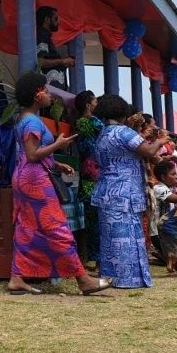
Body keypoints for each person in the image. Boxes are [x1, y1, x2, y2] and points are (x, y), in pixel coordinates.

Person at [9, 72, 112, 296]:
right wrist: (58, 144)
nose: (49, 95)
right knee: (57, 227)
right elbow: (33, 154)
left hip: (25, 177)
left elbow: (31, 156)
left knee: (26, 227)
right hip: (35, 180)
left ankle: (17, 278)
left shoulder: (23, 119)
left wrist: (57, 165)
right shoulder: (32, 121)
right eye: (46, 91)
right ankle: (83, 280)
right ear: (37, 96)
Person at [92, 94, 170, 288]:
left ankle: (111, 276)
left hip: (106, 191)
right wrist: (161, 141)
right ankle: (128, 279)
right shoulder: (124, 133)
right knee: (127, 237)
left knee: (110, 238)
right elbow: (149, 151)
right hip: (125, 192)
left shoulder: (103, 133)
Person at [73, 90, 103, 269]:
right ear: (87, 105)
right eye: (95, 101)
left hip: (91, 174)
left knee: (95, 219)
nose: (97, 104)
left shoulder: (86, 123)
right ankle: (97, 257)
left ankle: (98, 257)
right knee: (95, 219)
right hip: (92, 175)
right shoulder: (87, 122)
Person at [35, 6, 74, 90]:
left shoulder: (45, 36)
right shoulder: (42, 36)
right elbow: (39, 62)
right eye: (55, 19)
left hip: (52, 93)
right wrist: (62, 61)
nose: (58, 22)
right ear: (47, 19)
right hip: (48, 93)